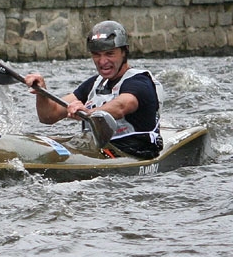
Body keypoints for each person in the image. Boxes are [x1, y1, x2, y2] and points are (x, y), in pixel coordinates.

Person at [23, 20, 164, 159]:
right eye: (97, 54)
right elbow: (48, 116)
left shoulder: (140, 82)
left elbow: (122, 105)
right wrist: (41, 92)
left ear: (124, 52)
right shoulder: (95, 83)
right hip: (99, 150)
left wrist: (89, 113)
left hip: (132, 152)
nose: (102, 61)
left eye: (109, 54)